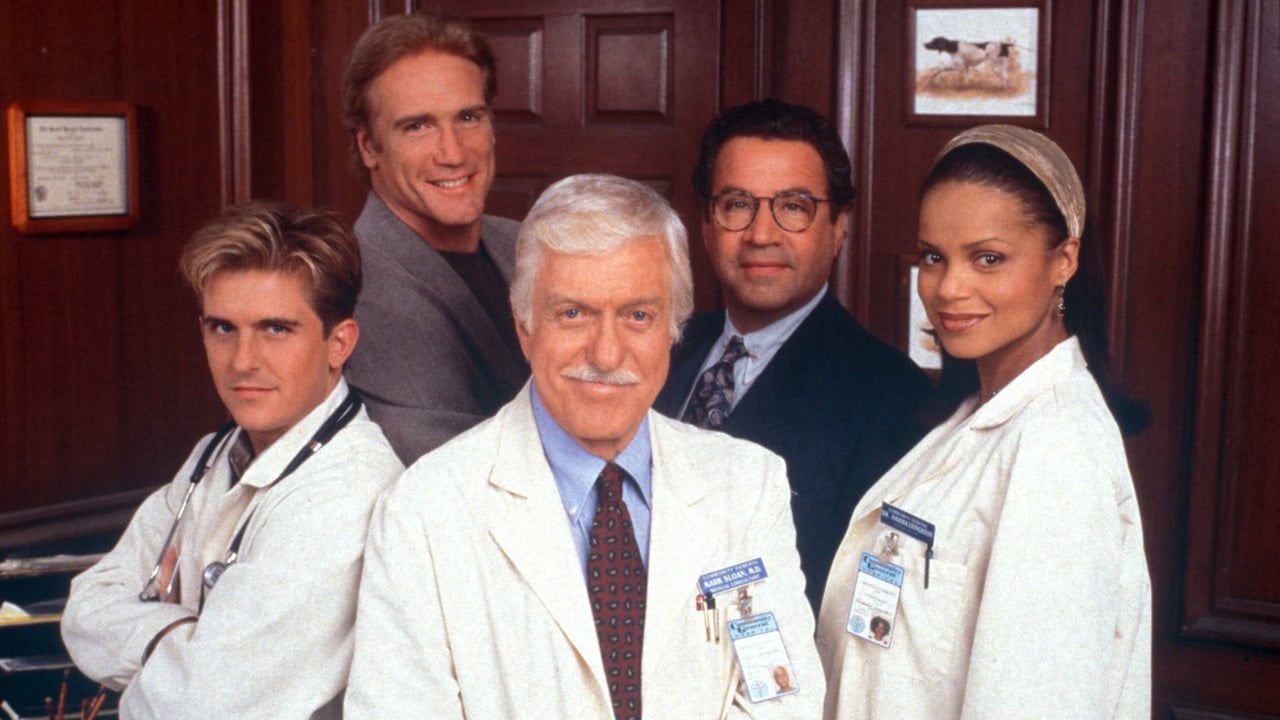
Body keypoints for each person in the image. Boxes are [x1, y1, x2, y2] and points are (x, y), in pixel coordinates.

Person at [345, 174, 823, 719]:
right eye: (573, 313)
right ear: (525, 326)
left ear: (672, 329)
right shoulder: (424, 512)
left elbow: (784, 701)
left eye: (638, 316)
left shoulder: (747, 485)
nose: (606, 353)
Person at [817, 125, 1151, 719]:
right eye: (933, 257)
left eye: (988, 259)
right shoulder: (974, 416)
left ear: (1064, 261)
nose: (949, 288)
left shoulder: (1058, 449)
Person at [60, 202, 404, 718]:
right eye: (223, 328)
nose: (243, 361)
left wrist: (150, 639)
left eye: (275, 329)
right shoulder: (215, 452)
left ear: (339, 343)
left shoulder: (349, 493)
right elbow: (85, 608)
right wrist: (181, 637)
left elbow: (202, 704)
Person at [655, 100, 935, 612]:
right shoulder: (659, 348)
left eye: (793, 207)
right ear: (706, 224)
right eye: (737, 204)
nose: (761, 235)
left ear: (839, 226)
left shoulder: (894, 400)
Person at [340, 11, 529, 464]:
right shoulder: (352, 287)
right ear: (369, 147)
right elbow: (452, 471)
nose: (453, 153)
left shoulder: (526, 243)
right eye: (417, 126)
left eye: (468, 117)